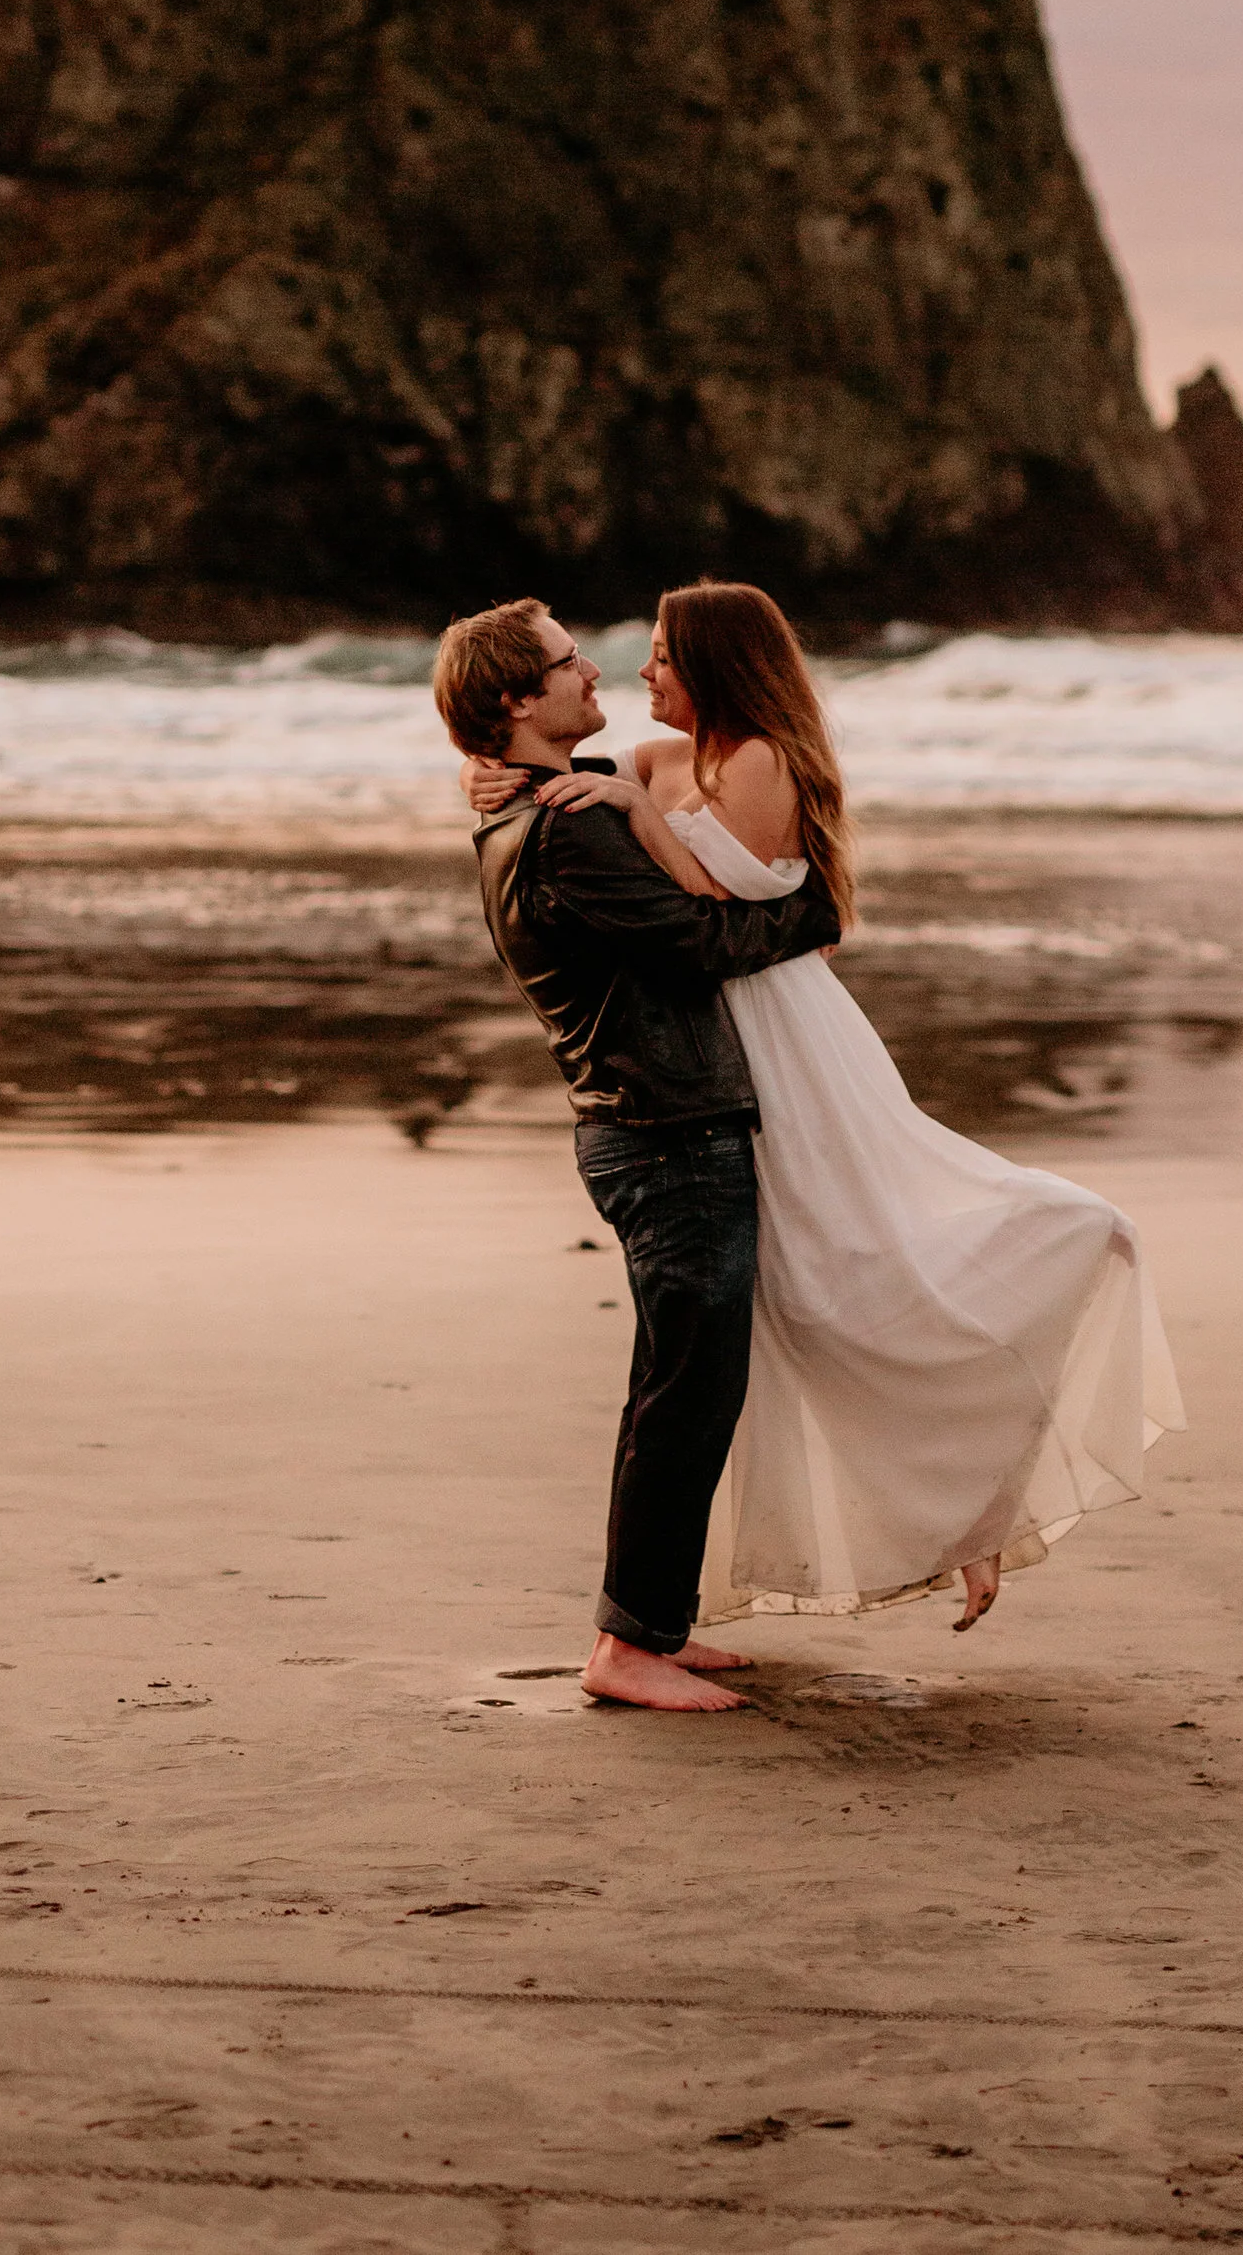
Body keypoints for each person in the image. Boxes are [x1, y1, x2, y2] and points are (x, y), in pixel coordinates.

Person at [461, 580, 1185, 1649]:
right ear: (527, 694)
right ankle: (680, 1616)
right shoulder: (648, 772)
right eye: (603, 657)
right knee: (811, 1306)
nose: (632, 669)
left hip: (779, 1043)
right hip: (714, 1069)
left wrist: (624, 810)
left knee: (861, 1276)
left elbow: (715, 915)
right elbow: (619, 829)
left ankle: (953, 1507)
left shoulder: (747, 763)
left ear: (713, 665)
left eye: (660, 654)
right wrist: (510, 770)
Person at [433, 595, 843, 1713]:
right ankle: (628, 1647)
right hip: (665, 1134)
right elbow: (712, 942)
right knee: (684, 1390)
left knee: (689, 1384)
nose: (595, 676)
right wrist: (819, 918)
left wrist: (574, 776)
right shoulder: (567, 829)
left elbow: (644, 795)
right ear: (519, 699)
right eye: (569, 667)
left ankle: (652, 1624)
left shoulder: (532, 806)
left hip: (649, 1126)